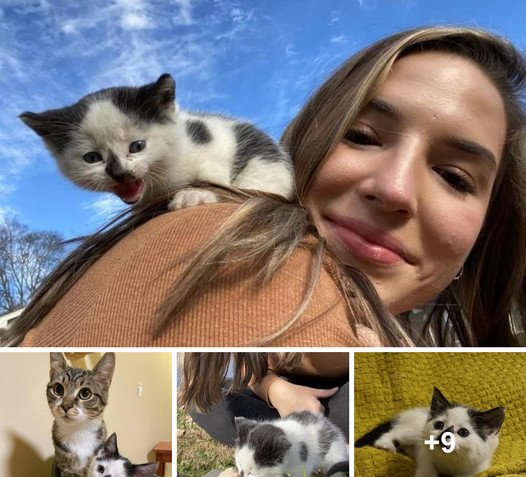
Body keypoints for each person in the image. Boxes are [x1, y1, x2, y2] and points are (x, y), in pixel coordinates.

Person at [6, 26, 526, 347]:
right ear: (305, 141)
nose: (393, 189)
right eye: (362, 136)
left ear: (492, 220)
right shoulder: (214, 241)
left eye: (455, 176)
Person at [178, 352, 349, 446]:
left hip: (341, 392)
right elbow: (250, 369)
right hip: (280, 394)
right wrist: (275, 390)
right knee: (202, 399)